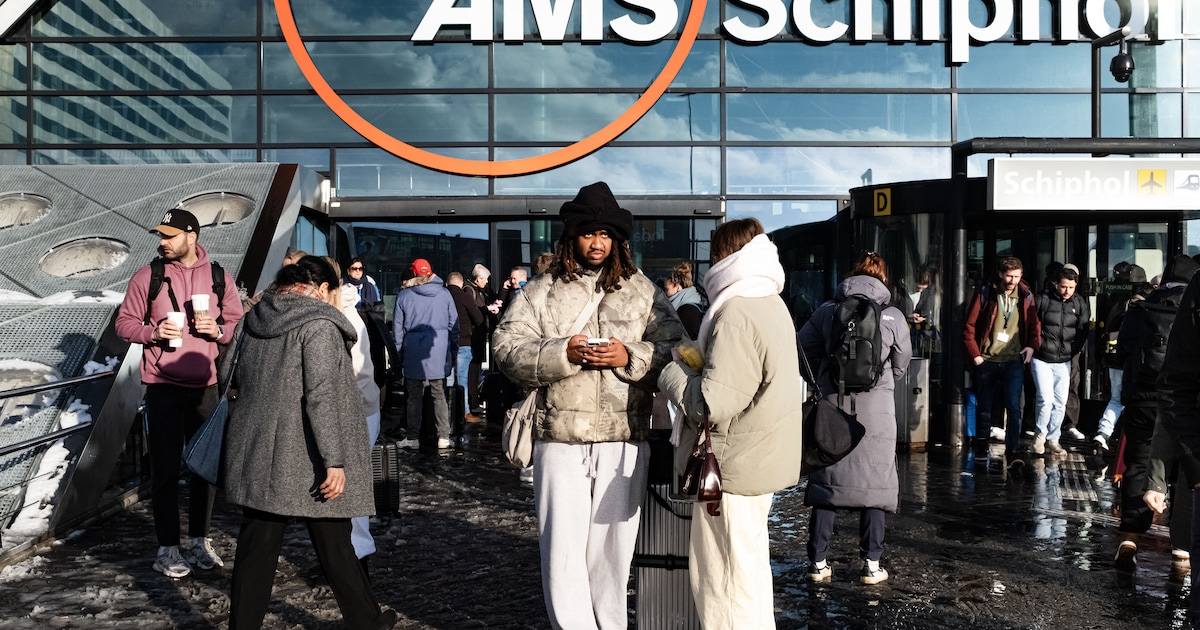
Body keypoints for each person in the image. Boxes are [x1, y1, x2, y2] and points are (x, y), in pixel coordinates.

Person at [492, 181, 685, 630]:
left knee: (615, 551)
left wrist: (629, 356)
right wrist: (564, 353)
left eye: (604, 234)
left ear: (617, 239)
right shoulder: (541, 289)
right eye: (587, 234)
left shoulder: (642, 291)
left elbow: (678, 348)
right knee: (562, 549)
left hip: (623, 438)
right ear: (571, 237)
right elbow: (505, 347)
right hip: (560, 437)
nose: (596, 243)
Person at [220, 256, 396, 630]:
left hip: (259, 453)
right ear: (322, 289)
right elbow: (321, 395)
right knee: (335, 544)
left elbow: (226, 375)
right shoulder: (317, 324)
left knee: (258, 548)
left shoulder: (253, 318)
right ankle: (367, 622)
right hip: (311, 456)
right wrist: (335, 460)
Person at [657, 219, 803, 629]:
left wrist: (670, 375)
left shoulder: (736, 310)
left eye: (715, 253)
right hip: (757, 463)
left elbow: (711, 402)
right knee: (748, 574)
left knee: (723, 581)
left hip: (731, 470)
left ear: (726, 257)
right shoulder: (769, 300)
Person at [114, 208, 243, 579]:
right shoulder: (148, 276)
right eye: (161, 235)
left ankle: (200, 540)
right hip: (163, 386)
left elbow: (234, 320)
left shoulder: (219, 276)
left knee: (205, 468)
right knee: (166, 469)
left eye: (170, 235)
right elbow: (124, 323)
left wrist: (217, 330)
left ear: (192, 237)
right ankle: (167, 547)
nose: (162, 242)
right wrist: (151, 334)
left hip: (206, 384)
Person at [798, 252, 912, 586]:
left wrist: (821, 379)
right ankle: (871, 565)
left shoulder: (827, 312)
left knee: (826, 484)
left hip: (833, 406)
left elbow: (801, 350)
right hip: (877, 414)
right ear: (883, 280)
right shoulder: (893, 316)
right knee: (874, 487)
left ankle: (818, 563)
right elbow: (902, 363)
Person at [1113, 254, 1200, 574]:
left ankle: (1130, 536)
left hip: (1143, 398)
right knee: (1184, 469)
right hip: (1184, 401)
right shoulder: (1192, 305)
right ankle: (1181, 547)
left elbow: (1121, 350)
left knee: (1138, 462)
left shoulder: (1141, 308)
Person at [326, 257, 384, 578]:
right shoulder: (345, 312)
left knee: (351, 487)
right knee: (348, 486)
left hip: (355, 410)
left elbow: (358, 370)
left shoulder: (343, 315)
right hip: (360, 407)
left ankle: (355, 561)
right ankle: (351, 558)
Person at [963, 257, 1040, 462]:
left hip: (1013, 359)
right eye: (1009, 276)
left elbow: (1034, 324)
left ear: (1021, 275)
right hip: (987, 358)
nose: (1012, 280)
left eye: (1016, 276)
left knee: (1014, 406)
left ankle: (1012, 450)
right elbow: (969, 326)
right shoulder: (986, 293)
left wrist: (1032, 347)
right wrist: (976, 356)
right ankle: (981, 447)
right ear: (1000, 274)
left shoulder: (1026, 296)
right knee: (985, 406)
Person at [393, 258, 457, 450]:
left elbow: (398, 331)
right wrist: (453, 351)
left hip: (413, 352)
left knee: (413, 397)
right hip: (438, 351)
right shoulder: (445, 294)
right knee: (440, 395)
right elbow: (454, 325)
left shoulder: (404, 296)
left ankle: (413, 438)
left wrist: (399, 355)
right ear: (430, 273)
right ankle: (444, 437)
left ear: (413, 274)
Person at [1030, 265, 1090, 456]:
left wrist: (1074, 350)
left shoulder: (1079, 303)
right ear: (1056, 284)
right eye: (1064, 287)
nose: (1067, 291)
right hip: (1042, 357)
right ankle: (1040, 436)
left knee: (1060, 401)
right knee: (1045, 399)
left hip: (1064, 358)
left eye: (1071, 288)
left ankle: (1053, 438)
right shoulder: (1043, 300)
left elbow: (1083, 329)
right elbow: (1030, 324)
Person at [1095, 264, 1150, 451]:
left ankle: (1103, 432)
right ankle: (1125, 439)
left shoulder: (1117, 305)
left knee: (1116, 398)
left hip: (1114, 359)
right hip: (1132, 362)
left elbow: (1108, 328)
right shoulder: (1146, 312)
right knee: (1132, 401)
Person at [447, 271, 484, 423]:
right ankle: (465, 412)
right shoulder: (464, 297)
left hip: (445, 343)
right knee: (462, 379)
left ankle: (447, 414)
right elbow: (479, 318)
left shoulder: (442, 296)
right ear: (461, 283)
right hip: (463, 341)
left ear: (447, 283)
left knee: (447, 380)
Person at [465, 263, 494, 416]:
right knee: (472, 371)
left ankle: (473, 401)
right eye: (485, 279)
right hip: (474, 337)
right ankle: (472, 402)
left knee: (475, 370)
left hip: (478, 337)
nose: (487, 282)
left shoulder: (477, 291)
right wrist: (486, 310)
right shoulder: (470, 291)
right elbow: (472, 312)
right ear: (478, 279)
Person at [663, 261, 704, 339]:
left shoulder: (686, 312)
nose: (665, 293)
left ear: (678, 287)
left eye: (666, 289)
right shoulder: (691, 307)